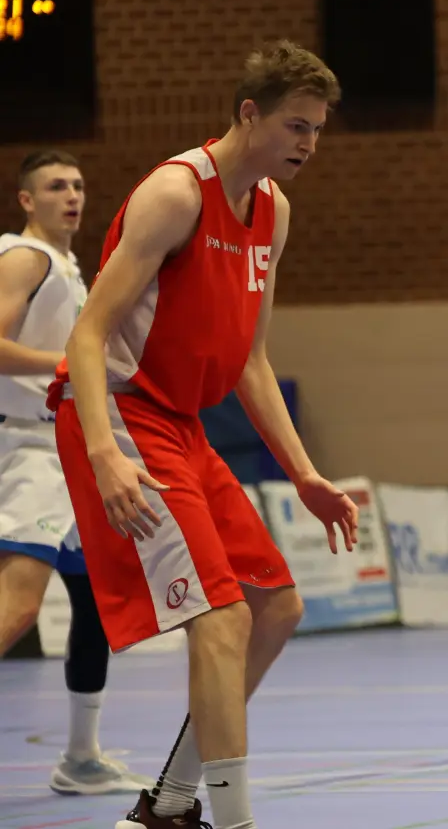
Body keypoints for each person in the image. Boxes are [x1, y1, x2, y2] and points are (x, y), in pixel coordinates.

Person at [48, 40, 361, 829]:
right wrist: (104, 451)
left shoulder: (274, 213)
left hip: (183, 425)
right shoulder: (175, 193)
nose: (308, 144)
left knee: (277, 606)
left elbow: (252, 359)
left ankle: (173, 802)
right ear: (248, 113)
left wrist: (306, 474)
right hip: (123, 414)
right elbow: (86, 337)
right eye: (296, 125)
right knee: (220, 619)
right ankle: (233, 822)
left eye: (318, 129)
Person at [0, 150, 154, 796]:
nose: (73, 195)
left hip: (71, 459)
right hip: (31, 453)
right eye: (56, 186)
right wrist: (68, 363)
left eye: (80, 185)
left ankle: (81, 758)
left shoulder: (70, 267)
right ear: (26, 200)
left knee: (95, 606)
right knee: (17, 607)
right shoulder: (24, 256)